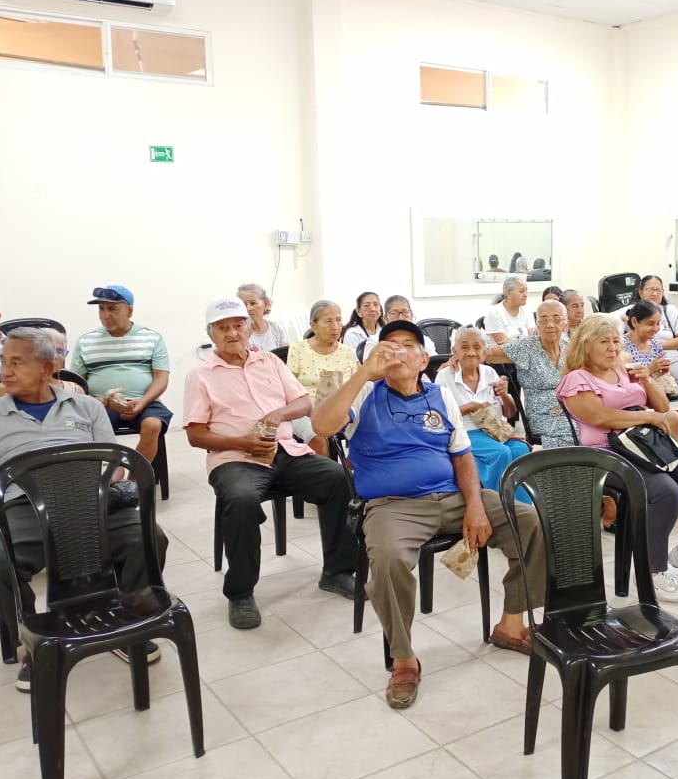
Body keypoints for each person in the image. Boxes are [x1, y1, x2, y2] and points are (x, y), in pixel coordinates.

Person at [312, 319, 546, 710]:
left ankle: (511, 624)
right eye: (389, 344)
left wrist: (475, 504)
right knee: (388, 559)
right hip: (393, 505)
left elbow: (462, 456)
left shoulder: (441, 396)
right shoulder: (364, 392)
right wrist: (364, 372)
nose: (397, 350)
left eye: (408, 345)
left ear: (424, 360)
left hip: (453, 497)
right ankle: (404, 659)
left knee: (529, 521)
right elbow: (322, 425)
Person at [0, 328, 170, 690]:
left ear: (47, 368)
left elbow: (114, 465)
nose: (5, 371)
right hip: (23, 505)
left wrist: (91, 478)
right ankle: (34, 638)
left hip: (91, 500)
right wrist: (32, 474)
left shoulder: (87, 407)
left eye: (17, 363)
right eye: (4, 362)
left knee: (149, 538)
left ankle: (127, 623)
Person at [183, 297, 358, 630]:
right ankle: (241, 593)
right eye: (223, 328)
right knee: (242, 499)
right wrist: (243, 443)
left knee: (337, 478)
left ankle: (337, 571)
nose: (232, 333)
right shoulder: (200, 375)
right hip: (235, 459)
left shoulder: (270, 362)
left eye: (238, 325)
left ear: (249, 328)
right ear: (211, 334)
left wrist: (278, 414)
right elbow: (195, 434)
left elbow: (303, 402)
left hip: (285, 451)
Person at [558, 314, 678, 603]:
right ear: (585, 345)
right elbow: (600, 417)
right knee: (666, 492)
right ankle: (651, 569)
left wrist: (646, 380)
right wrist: (647, 416)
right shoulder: (577, 379)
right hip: (605, 452)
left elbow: (663, 407)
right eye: (604, 342)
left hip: (645, 443)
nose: (612, 347)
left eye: (615, 341)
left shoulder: (624, 368)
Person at [71, 285, 172, 466]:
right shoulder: (86, 341)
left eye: (112, 309)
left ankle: (135, 479)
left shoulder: (152, 338)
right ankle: (108, 476)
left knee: (153, 425)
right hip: (101, 405)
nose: (105, 315)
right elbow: (76, 383)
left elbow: (161, 378)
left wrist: (143, 401)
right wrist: (91, 400)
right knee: (88, 426)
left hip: (144, 401)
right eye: (101, 309)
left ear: (130, 311)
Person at [434, 326, 530, 498]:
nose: (471, 352)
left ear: (485, 352)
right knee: (500, 453)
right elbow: (439, 416)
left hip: (494, 431)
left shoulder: (490, 373)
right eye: (464, 347)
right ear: (454, 351)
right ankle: (500, 504)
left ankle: (522, 507)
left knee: (520, 449)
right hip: (465, 432)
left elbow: (509, 413)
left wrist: (504, 395)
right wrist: (470, 406)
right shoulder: (445, 376)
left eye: (477, 347)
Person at [484, 300, 575, 449]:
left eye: (557, 319)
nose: (550, 325)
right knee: (574, 434)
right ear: (537, 324)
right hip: (543, 414)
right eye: (543, 320)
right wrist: (455, 358)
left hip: (573, 408)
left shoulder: (570, 348)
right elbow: (487, 353)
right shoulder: (526, 347)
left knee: (594, 429)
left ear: (566, 323)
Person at [623, 300, 678, 458]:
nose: (655, 328)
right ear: (634, 322)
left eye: (658, 324)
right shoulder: (622, 345)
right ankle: (673, 460)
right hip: (640, 400)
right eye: (650, 323)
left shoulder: (655, 344)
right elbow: (623, 381)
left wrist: (665, 372)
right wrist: (650, 370)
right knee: (673, 417)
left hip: (662, 395)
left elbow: (664, 375)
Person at [286, 301, 358, 455]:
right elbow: (288, 388)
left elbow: (356, 387)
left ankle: (355, 464)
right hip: (304, 411)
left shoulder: (348, 352)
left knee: (367, 425)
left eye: (338, 320)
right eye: (328, 321)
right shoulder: (298, 349)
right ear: (313, 325)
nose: (335, 326)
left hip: (341, 411)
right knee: (318, 437)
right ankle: (327, 469)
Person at [621, 275, 678, 402]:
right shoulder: (630, 312)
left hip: (670, 354)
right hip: (640, 355)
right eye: (650, 289)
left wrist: (655, 346)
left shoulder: (669, 310)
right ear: (640, 292)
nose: (655, 293)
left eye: (658, 290)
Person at [0, 329, 83, 399]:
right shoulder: (3, 390)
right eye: (50, 351)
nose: (55, 356)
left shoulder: (75, 391)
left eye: (60, 351)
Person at [484, 276, 535, 346]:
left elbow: (533, 340)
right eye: (521, 291)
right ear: (508, 293)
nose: (525, 295)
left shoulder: (527, 311)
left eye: (526, 291)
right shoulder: (494, 313)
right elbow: (506, 347)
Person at [237, 283, 286, 353]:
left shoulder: (276, 327)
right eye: (244, 305)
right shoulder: (242, 334)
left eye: (253, 303)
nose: (248, 309)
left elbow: (286, 354)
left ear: (266, 304)